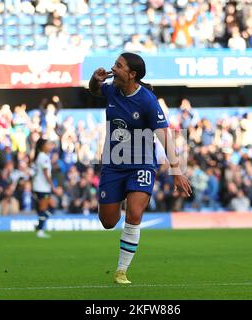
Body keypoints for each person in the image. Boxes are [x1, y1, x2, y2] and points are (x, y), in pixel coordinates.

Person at [89, 52, 192, 284]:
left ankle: (121, 271)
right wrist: (95, 80)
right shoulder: (112, 89)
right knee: (108, 222)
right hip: (113, 164)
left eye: (119, 65)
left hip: (141, 163)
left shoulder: (147, 100)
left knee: (135, 213)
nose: (113, 68)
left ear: (132, 74)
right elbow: (94, 90)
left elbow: (165, 136)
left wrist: (176, 169)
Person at [32, 138, 56, 239]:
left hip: (39, 186)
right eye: (48, 144)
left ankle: (39, 225)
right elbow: (46, 174)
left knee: (51, 206)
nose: (50, 146)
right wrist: (53, 187)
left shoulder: (41, 156)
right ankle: (40, 230)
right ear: (43, 146)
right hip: (42, 187)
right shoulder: (43, 157)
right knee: (44, 208)